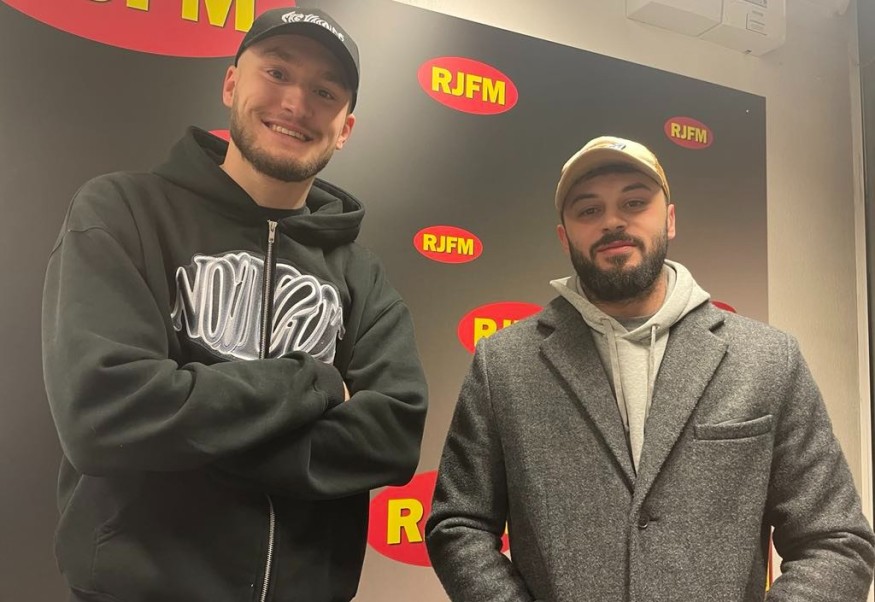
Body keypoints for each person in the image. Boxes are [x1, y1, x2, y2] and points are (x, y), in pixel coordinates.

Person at [42, 7, 427, 602]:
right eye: (277, 72)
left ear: (345, 127)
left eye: (325, 92)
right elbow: (104, 412)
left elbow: (393, 437)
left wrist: (189, 435)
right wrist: (317, 384)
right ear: (230, 83)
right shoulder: (123, 211)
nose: (296, 103)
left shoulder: (361, 272)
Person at [425, 135, 875, 601]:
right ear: (564, 237)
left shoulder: (767, 359)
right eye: (589, 210)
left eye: (634, 202)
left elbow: (835, 540)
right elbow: (458, 524)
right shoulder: (504, 365)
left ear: (670, 219)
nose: (612, 221)